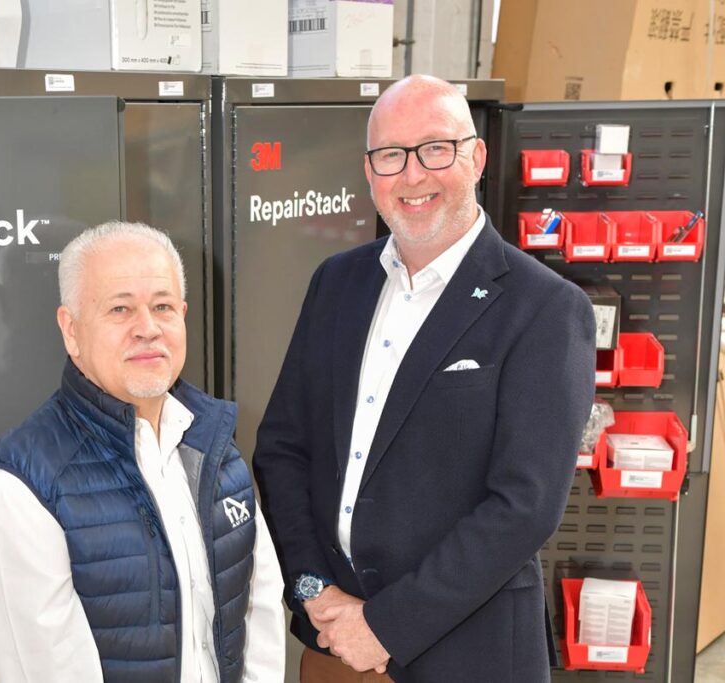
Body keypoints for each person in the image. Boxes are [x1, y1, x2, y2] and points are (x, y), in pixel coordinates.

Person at [252, 75, 596, 683]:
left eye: (436, 149)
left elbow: (524, 507)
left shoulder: (546, 308)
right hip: (334, 645)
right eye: (391, 155)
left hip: (468, 657)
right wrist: (312, 590)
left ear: (476, 157)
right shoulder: (336, 282)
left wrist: (386, 625)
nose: (412, 176)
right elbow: (283, 449)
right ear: (369, 170)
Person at [0, 221, 285, 682]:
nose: (147, 328)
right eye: (120, 309)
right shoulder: (18, 489)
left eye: (163, 306)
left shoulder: (216, 451)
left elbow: (259, 616)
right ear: (71, 330)